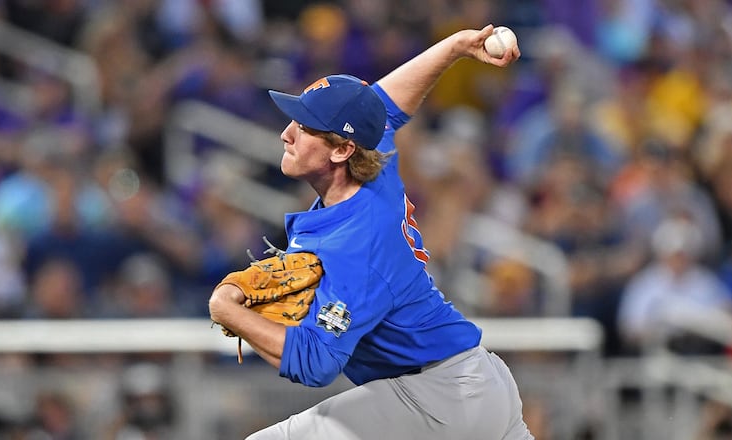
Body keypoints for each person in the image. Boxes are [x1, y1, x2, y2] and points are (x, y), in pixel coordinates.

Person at [208, 25, 533, 440]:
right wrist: (454, 48)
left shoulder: (353, 249)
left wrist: (226, 308)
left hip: (438, 398)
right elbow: (384, 105)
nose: (287, 134)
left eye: (306, 128)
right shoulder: (374, 166)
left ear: (342, 150)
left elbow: (317, 363)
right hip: (477, 384)